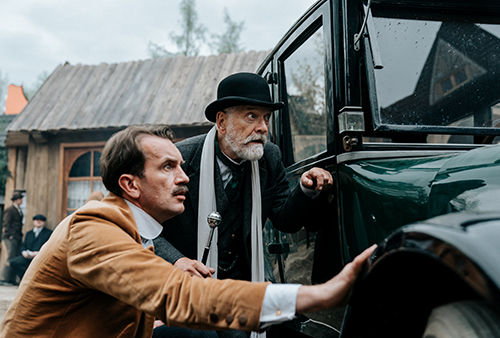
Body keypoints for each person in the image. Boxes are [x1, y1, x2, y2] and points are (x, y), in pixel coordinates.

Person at [0, 124, 376, 338]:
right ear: (131, 185)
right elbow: (178, 296)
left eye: (182, 165)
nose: (184, 177)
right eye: (167, 167)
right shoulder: (93, 228)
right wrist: (318, 295)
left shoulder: (134, 230)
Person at [152, 73, 334, 337]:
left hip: (245, 283)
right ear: (222, 121)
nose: (262, 127)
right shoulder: (181, 159)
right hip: (187, 290)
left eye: (266, 118)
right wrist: (178, 261)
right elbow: (145, 228)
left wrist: (305, 189)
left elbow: (285, 220)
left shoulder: (269, 157)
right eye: (251, 116)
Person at [8, 214, 52, 282]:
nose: (38, 222)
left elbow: (49, 246)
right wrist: (24, 252)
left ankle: (34, 281)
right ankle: (25, 280)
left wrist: (38, 253)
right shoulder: (29, 233)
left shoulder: (49, 233)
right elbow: (24, 245)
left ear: (44, 222)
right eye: (37, 220)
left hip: (40, 256)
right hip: (27, 256)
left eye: (41, 220)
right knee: (13, 262)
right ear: (33, 222)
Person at [0, 192, 24, 286]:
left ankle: (11, 279)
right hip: (10, 237)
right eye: (20, 198)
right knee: (10, 257)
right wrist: (10, 235)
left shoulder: (19, 209)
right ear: (15, 200)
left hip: (17, 236)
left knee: (15, 258)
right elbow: (6, 223)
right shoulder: (10, 209)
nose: (21, 200)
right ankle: (3, 278)